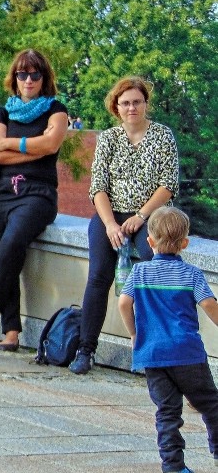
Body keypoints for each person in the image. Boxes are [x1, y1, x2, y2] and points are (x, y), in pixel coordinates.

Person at [70, 76, 178, 374]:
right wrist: (109, 224)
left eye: (137, 102)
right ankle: (85, 349)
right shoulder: (108, 138)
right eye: (126, 103)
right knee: (98, 276)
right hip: (112, 215)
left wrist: (141, 216)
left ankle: (153, 351)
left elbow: (168, 185)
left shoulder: (162, 136)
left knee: (151, 266)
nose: (132, 108)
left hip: (151, 216)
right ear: (116, 107)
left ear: (146, 104)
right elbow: (98, 188)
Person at [0, 49, 68, 351]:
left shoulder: (56, 110)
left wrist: (12, 143)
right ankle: (11, 331)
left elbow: (51, 145)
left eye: (34, 74)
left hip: (38, 194)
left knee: (12, 243)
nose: (28, 80)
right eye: (22, 74)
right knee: (2, 254)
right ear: (15, 77)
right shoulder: (3, 112)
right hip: (1, 193)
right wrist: (33, 147)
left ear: (44, 78)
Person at [117, 206, 218, 473]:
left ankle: (172, 464)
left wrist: (135, 333)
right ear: (185, 243)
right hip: (187, 353)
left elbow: (124, 302)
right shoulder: (192, 275)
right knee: (211, 405)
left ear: (149, 242)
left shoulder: (139, 273)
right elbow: (209, 304)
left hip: (152, 354)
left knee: (167, 410)